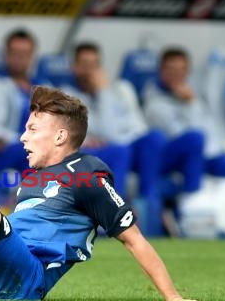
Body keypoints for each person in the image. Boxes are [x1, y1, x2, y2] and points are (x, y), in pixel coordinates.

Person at [0, 86, 198, 301]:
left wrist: (173, 297)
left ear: (60, 136)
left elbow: (134, 239)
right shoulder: (33, 178)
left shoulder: (87, 174)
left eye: (33, 129)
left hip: (26, 274)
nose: (22, 137)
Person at [62, 42, 166, 236]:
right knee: (120, 150)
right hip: (91, 153)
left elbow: (138, 127)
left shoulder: (121, 89)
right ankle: (112, 216)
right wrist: (102, 93)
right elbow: (107, 132)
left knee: (153, 139)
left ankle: (149, 204)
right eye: (84, 65)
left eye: (94, 65)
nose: (89, 71)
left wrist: (105, 92)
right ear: (74, 67)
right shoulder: (67, 95)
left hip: (123, 147)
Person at [145, 47, 225, 195]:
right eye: (172, 69)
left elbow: (212, 128)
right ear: (161, 71)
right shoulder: (155, 104)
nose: (177, 75)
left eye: (182, 69)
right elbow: (190, 138)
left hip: (216, 155)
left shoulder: (192, 94)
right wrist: (191, 104)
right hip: (195, 161)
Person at [0, 28, 45, 174]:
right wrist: (23, 139)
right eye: (16, 53)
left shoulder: (45, 88)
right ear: (6, 55)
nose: (20, 58)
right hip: (12, 149)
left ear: (32, 56)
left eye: (25, 54)